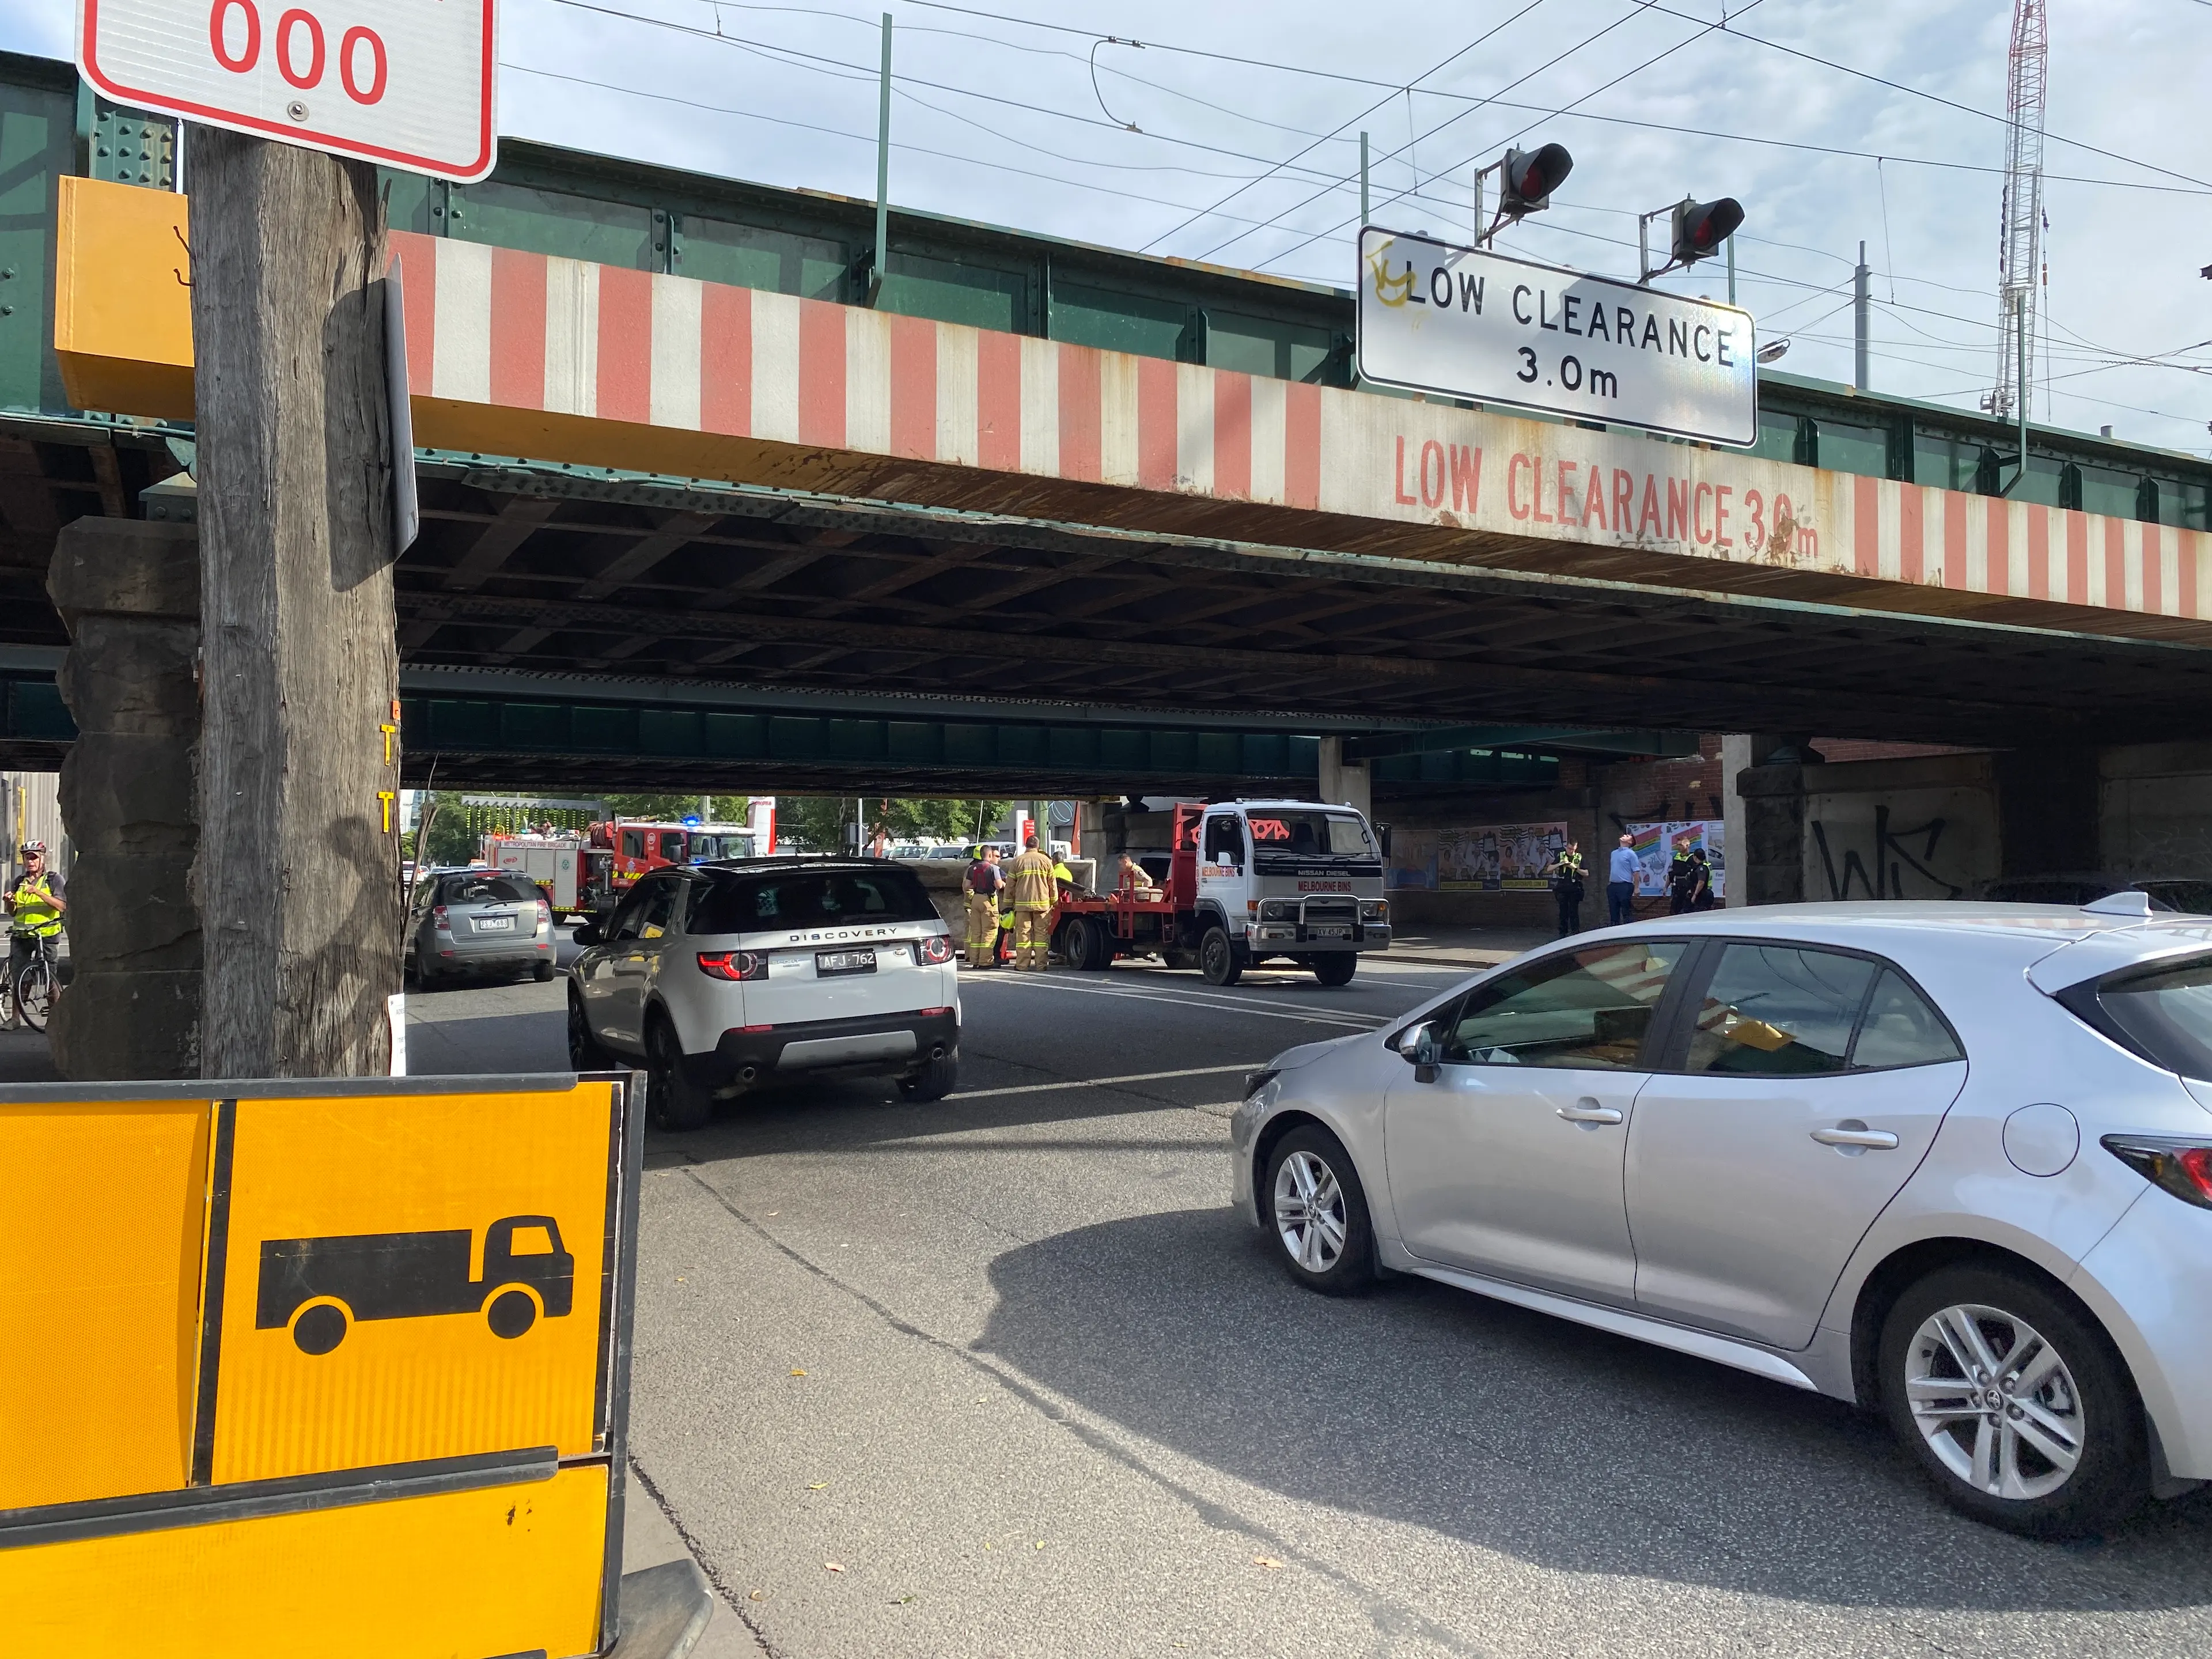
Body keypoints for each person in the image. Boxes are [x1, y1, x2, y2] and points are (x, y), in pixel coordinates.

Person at [6, 841, 65, 1007]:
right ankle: (15, 1018)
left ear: (42, 859)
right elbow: (13, 912)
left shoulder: (53, 880)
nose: (30, 861)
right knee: (18, 978)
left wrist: (38, 892)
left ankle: (56, 1016)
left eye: (34, 858)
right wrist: (9, 902)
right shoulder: (19, 882)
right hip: (22, 935)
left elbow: (62, 906)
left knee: (50, 976)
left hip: (46, 934)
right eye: (27, 858)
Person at [1003, 834, 1059, 971]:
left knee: (1023, 935)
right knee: (1041, 936)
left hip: (1023, 905)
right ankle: (1041, 965)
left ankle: (1022, 965)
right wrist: (1054, 901)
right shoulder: (1046, 861)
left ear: (1026, 846)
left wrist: (1007, 905)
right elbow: (1052, 884)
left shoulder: (1018, 861)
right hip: (1042, 905)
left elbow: (1010, 885)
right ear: (1038, 846)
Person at [961, 846, 1003, 968]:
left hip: (976, 899)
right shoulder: (993, 868)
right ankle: (986, 962)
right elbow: (999, 885)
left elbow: (966, 886)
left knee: (976, 932)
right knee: (989, 931)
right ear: (990, 855)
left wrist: (976, 884)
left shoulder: (972, 869)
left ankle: (975, 961)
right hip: (988, 900)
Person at [1548, 840, 1586, 937]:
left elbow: (1586, 873)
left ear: (1576, 848)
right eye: (1569, 848)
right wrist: (1560, 864)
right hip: (1562, 887)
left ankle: (1575, 933)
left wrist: (1575, 868)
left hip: (1574, 887)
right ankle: (1563, 933)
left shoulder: (1579, 857)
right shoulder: (1561, 856)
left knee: (1574, 912)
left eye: (1573, 849)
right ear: (1566, 847)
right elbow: (1549, 869)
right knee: (1563, 912)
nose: (1570, 851)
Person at [1607, 832, 1639, 928]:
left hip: (1625, 886)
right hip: (1613, 885)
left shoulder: (1631, 854)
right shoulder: (1614, 853)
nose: (1624, 835)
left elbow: (1636, 872)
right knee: (1613, 912)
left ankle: (1628, 931)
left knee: (1626, 911)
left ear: (1630, 842)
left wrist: (1637, 888)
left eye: (1627, 836)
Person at [1667, 836, 1700, 915]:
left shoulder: (1692, 858)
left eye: (1681, 845)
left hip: (1686, 887)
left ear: (1688, 846)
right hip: (1677, 886)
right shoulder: (1676, 857)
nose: (1679, 847)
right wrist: (1666, 887)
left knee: (1686, 909)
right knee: (1674, 909)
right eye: (1678, 845)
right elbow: (1671, 872)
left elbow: (1695, 875)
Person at [1689, 844, 1717, 911]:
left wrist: (1695, 895)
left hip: (1702, 895)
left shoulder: (1701, 868)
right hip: (1707, 893)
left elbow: (1701, 882)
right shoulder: (1706, 865)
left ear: (1695, 857)